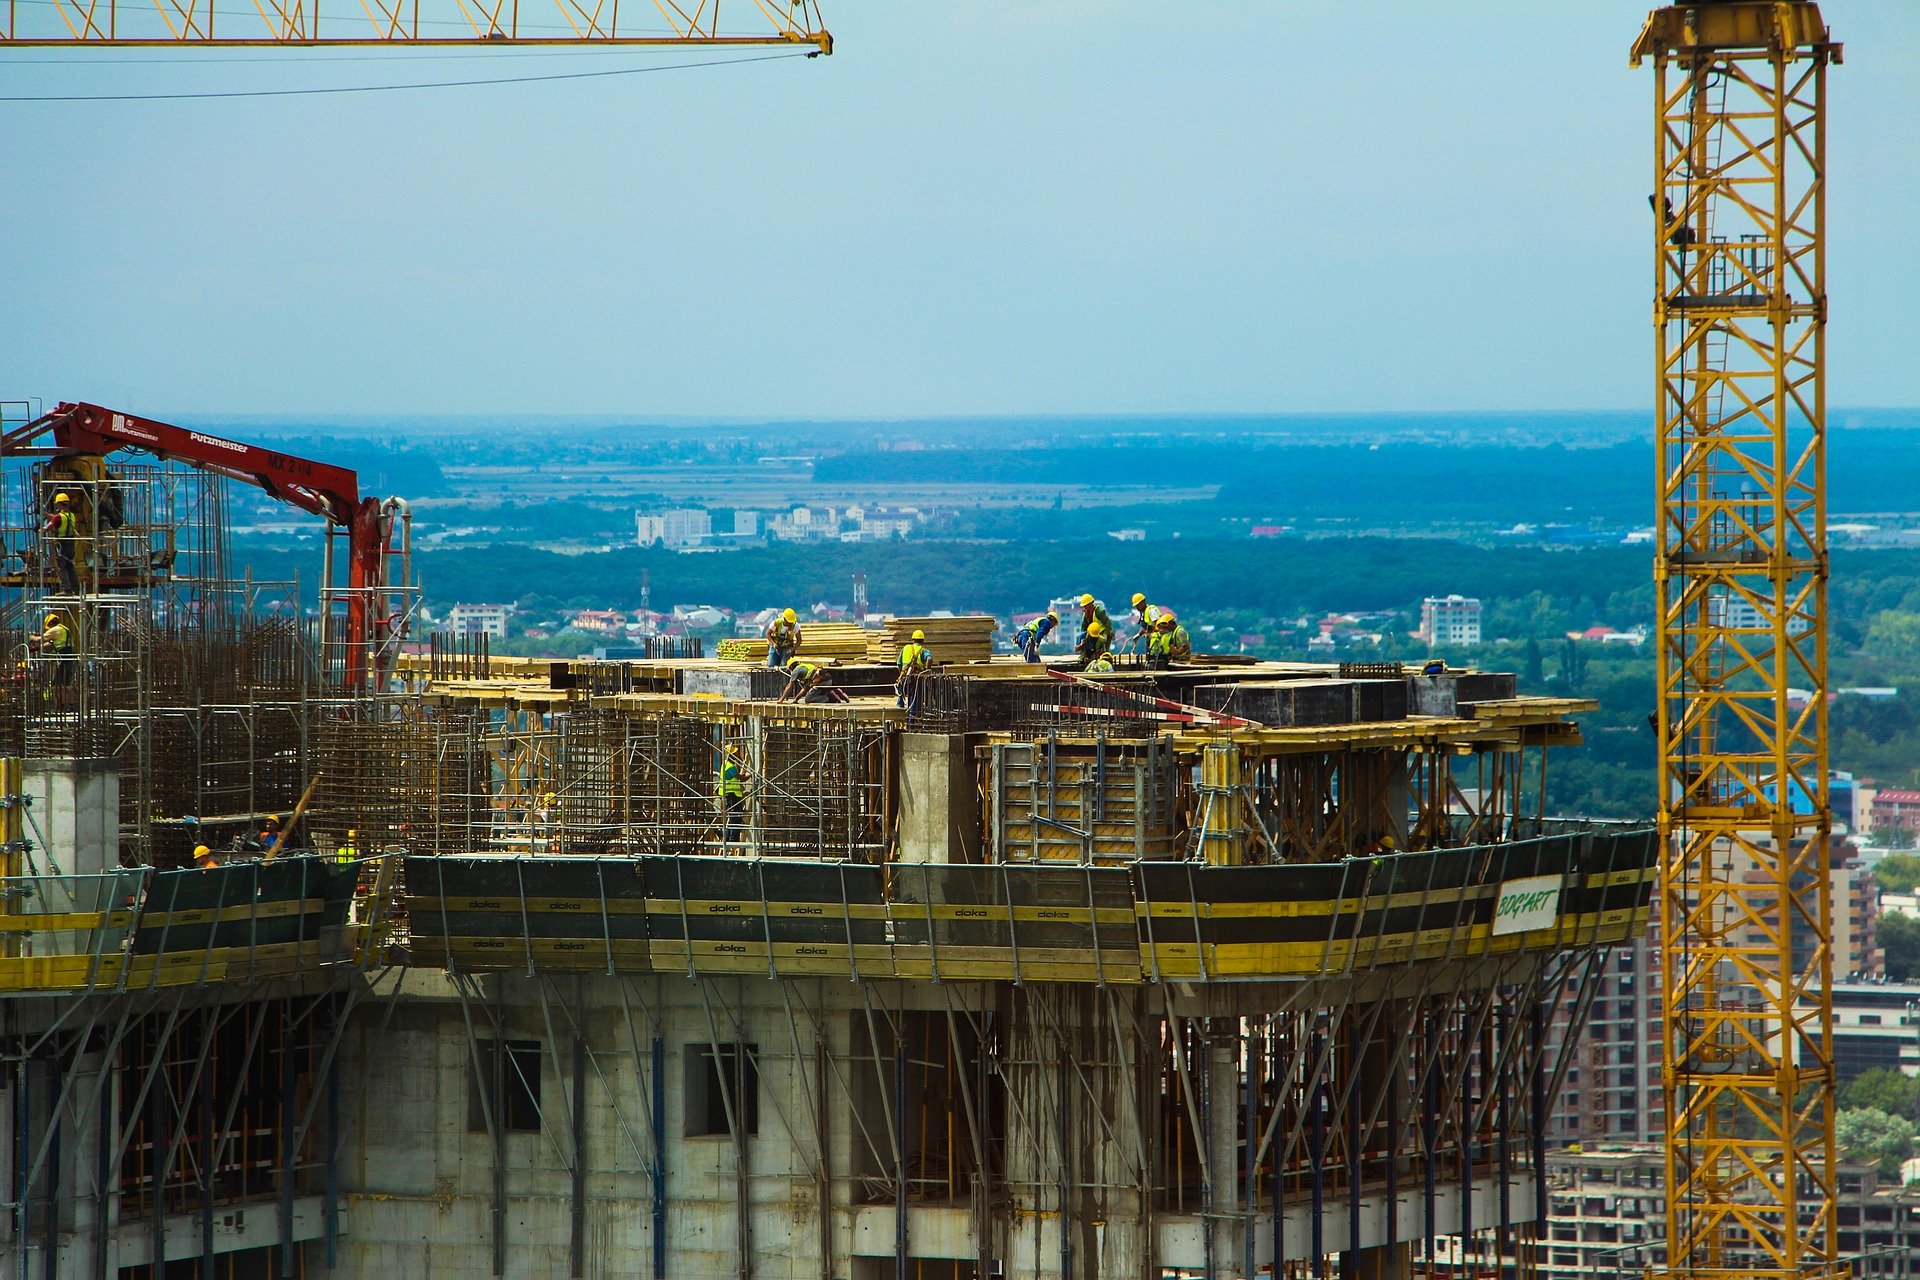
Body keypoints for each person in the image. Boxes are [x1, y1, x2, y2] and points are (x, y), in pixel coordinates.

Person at [42, 492, 79, 594]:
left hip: (62, 545)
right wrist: (46, 514)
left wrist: (42, 529)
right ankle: (76, 588)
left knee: (61, 567)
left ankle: (66, 589)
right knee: (70, 566)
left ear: (59, 504)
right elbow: (58, 518)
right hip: (71, 544)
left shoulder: (58, 517)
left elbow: (49, 526)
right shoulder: (71, 515)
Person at [32, 612, 73, 694]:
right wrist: (39, 647)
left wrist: (31, 637)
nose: (49, 628)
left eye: (49, 626)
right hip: (68, 654)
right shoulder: (64, 629)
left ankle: (62, 702)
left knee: (58, 681)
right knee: (65, 681)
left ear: (51, 623)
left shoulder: (56, 629)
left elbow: (41, 638)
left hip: (63, 655)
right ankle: (67, 703)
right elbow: (51, 642)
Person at [715, 746, 747, 846]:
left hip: (728, 795)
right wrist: (750, 774)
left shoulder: (724, 765)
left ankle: (728, 836)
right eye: (734, 753)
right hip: (732, 795)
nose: (736, 755)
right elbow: (741, 779)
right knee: (735, 818)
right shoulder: (730, 767)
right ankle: (733, 840)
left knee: (733, 817)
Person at [896, 629, 934, 711]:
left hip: (905, 677)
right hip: (916, 679)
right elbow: (930, 659)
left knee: (901, 689)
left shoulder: (905, 648)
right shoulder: (924, 650)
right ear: (922, 641)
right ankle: (912, 718)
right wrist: (927, 670)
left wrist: (902, 675)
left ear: (913, 640)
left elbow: (898, 664)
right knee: (914, 699)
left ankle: (900, 704)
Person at [1075, 594, 1111, 666]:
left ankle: (1105, 659)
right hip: (1091, 633)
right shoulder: (1086, 615)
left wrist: (1105, 635)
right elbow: (1083, 628)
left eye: (1086, 606)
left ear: (1091, 604)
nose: (1085, 608)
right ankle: (1085, 657)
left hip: (1101, 633)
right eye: (1084, 606)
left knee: (1102, 648)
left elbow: (1108, 624)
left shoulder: (1099, 611)